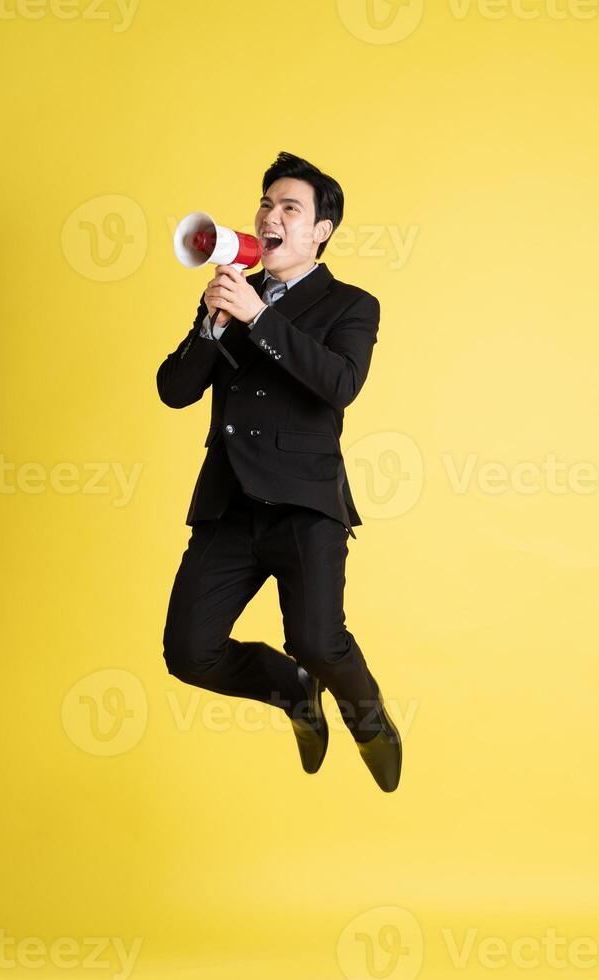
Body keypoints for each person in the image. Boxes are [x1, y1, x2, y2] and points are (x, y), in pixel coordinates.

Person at [156, 151, 401, 792]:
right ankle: (291, 689)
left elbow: (339, 384)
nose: (271, 215)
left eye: (290, 207)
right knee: (189, 652)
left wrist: (259, 318)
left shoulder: (351, 304)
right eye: (265, 203)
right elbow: (174, 391)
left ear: (320, 230)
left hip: (304, 504)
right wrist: (212, 328)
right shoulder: (232, 295)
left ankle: (368, 718)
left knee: (321, 641)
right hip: (230, 506)